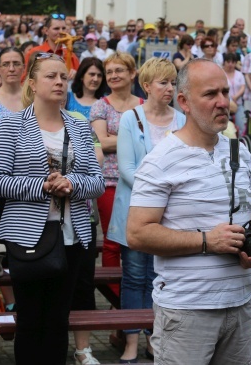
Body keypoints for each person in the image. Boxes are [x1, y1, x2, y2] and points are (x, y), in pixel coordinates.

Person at [126, 58, 251, 365]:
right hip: (186, 309)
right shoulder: (161, 160)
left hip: (240, 303)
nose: (222, 102)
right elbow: (137, 232)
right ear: (184, 102)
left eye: (225, 92)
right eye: (210, 94)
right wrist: (207, 241)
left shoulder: (239, 152)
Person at [0, 51, 105, 364]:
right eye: (51, 76)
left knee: (57, 320)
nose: (59, 82)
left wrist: (71, 184)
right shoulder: (12, 124)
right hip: (27, 235)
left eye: (63, 77)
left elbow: (97, 181)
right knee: (29, 320)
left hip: (73, 235)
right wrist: (42, 186)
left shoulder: (78, 126)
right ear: (33, 84)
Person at [108, 58, 186, 363]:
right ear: (147, 86)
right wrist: (158, 189)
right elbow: (126, 168)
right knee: (134, 277)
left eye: (172, 82)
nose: (169, 88)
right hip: (137, 211)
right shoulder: (131, 118)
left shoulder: (181, 120)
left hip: (171, 213)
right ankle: (129, 341)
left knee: (160, 278)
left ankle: (155, 340)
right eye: (163, 82)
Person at [90, 52, 143, 271]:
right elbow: (101, 143)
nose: (113, 75)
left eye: (119, 70)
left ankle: (134, 291)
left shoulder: (143, 106)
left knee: (140, 239)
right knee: (112, 242)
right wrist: (135, 140)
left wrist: (116, 139)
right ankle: (115, 297)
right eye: (109, 71)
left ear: (132, 74)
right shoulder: (100, 106)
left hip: (141, 181)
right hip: (109, 181)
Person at [222, 52, 246, 135]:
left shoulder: (239, 74)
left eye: (233, 62)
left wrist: (236, 96)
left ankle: (241, 143)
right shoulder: (221, 74)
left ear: (235, 63)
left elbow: (243, 87)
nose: (230, 64)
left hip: (238, 103)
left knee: (241, 126)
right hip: (225, 104)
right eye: (228, 62)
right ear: (224, 62)